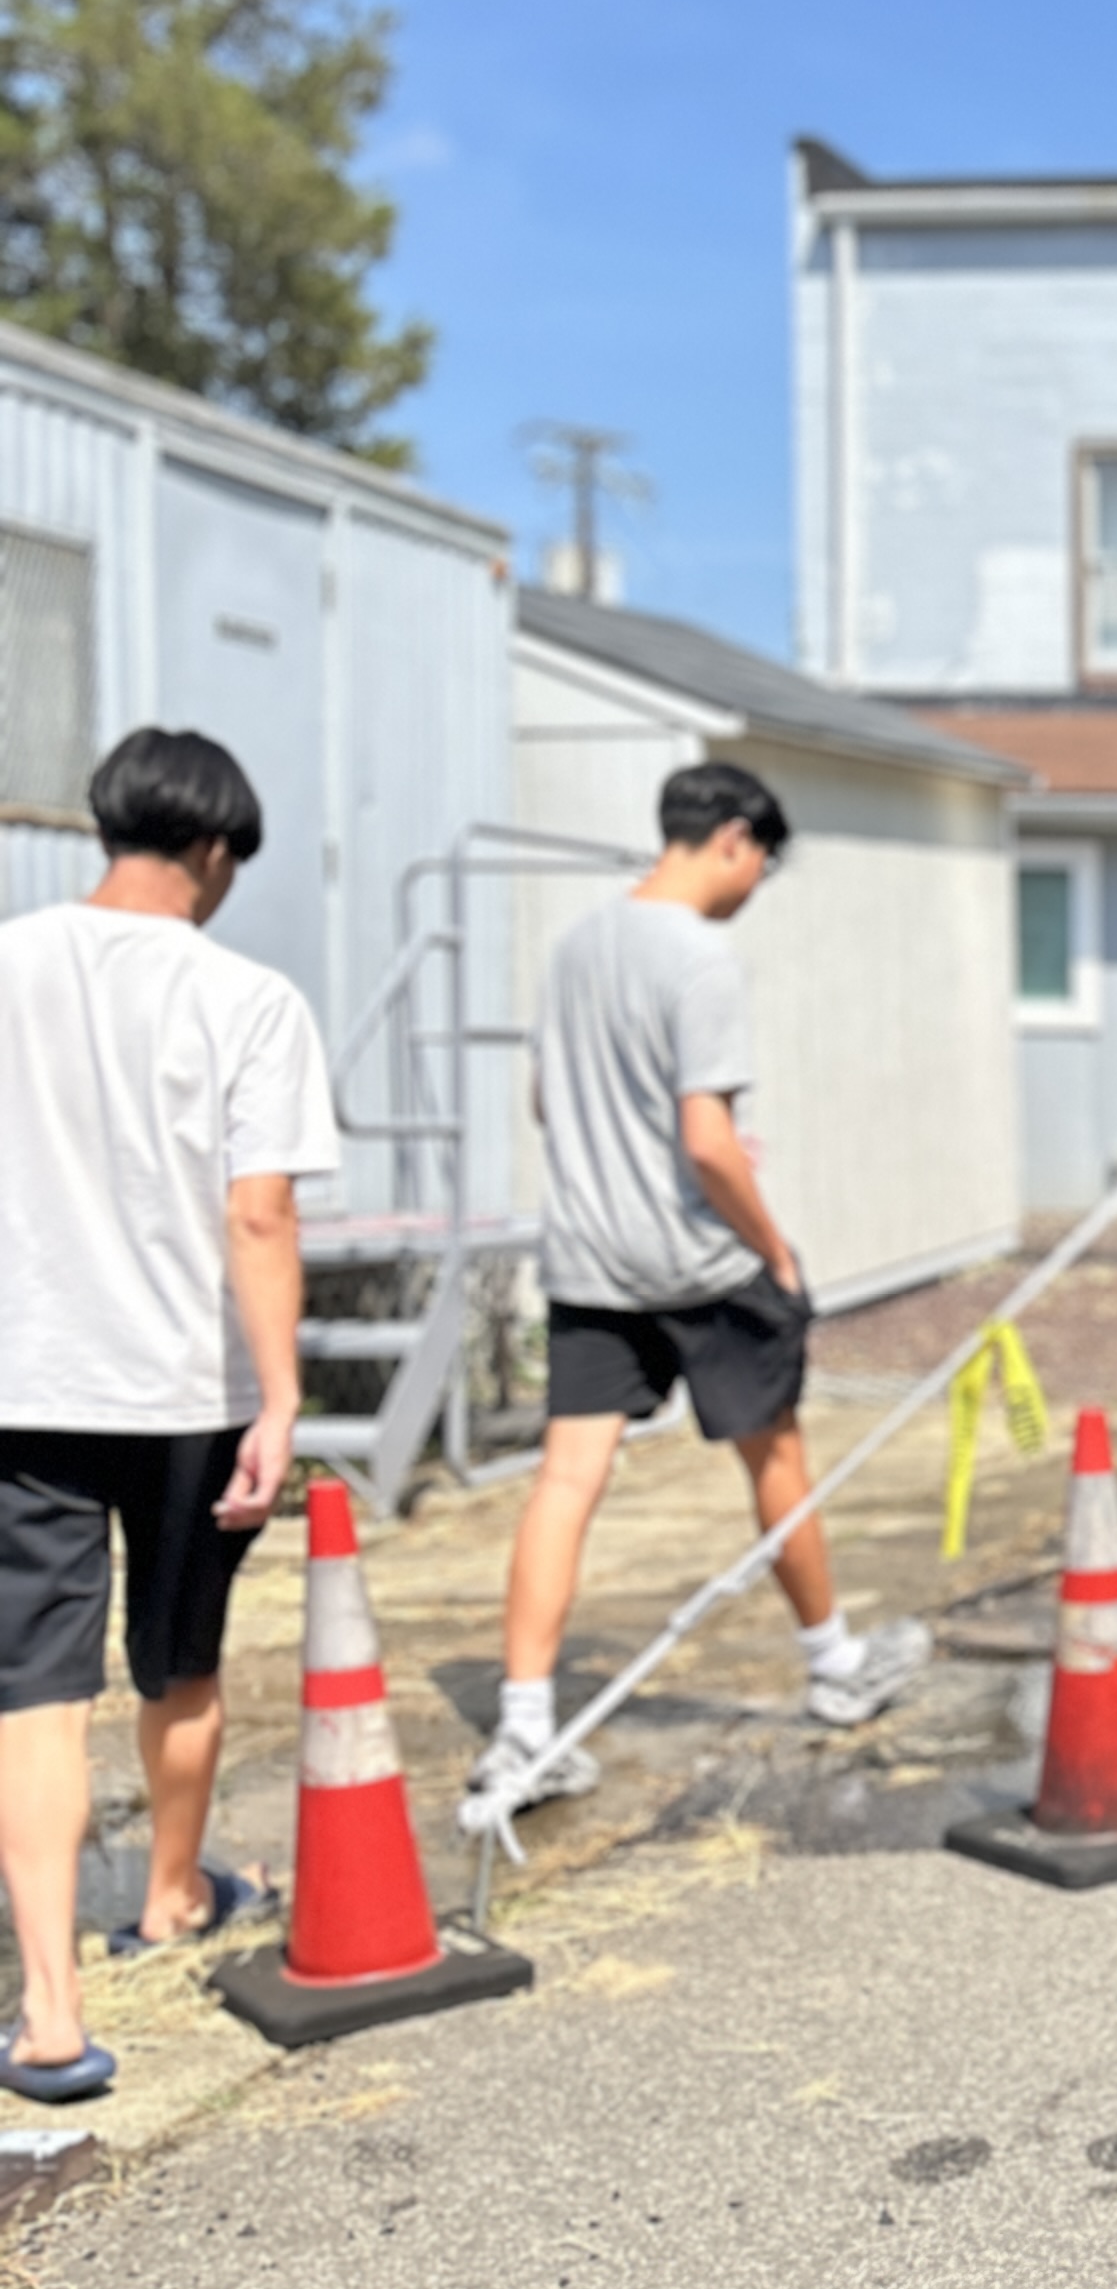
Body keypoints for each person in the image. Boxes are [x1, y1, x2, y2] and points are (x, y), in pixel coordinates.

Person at [467, 761, 926, 1813]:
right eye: (761, 862)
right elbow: (707, 1138)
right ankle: (833, 1666)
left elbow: (548, 1102)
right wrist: (772, 1247)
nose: (756, 883)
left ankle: (524, 1726)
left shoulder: (576, 946)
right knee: (775, 1460)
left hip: (590, 1258)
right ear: (731, 839)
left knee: (565, 1482)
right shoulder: (701, 959)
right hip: (699, 1261)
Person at [0, 728, 336, 2102]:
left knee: (35, 1693)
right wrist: (283, 1395)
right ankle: (170, 1898)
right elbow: (259, 1213)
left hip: (26, 1384)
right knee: (180, 1667)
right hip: (189, 1390)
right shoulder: (247, 1000)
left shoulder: (8, 964)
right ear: (212, 849)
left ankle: (50, 2016)